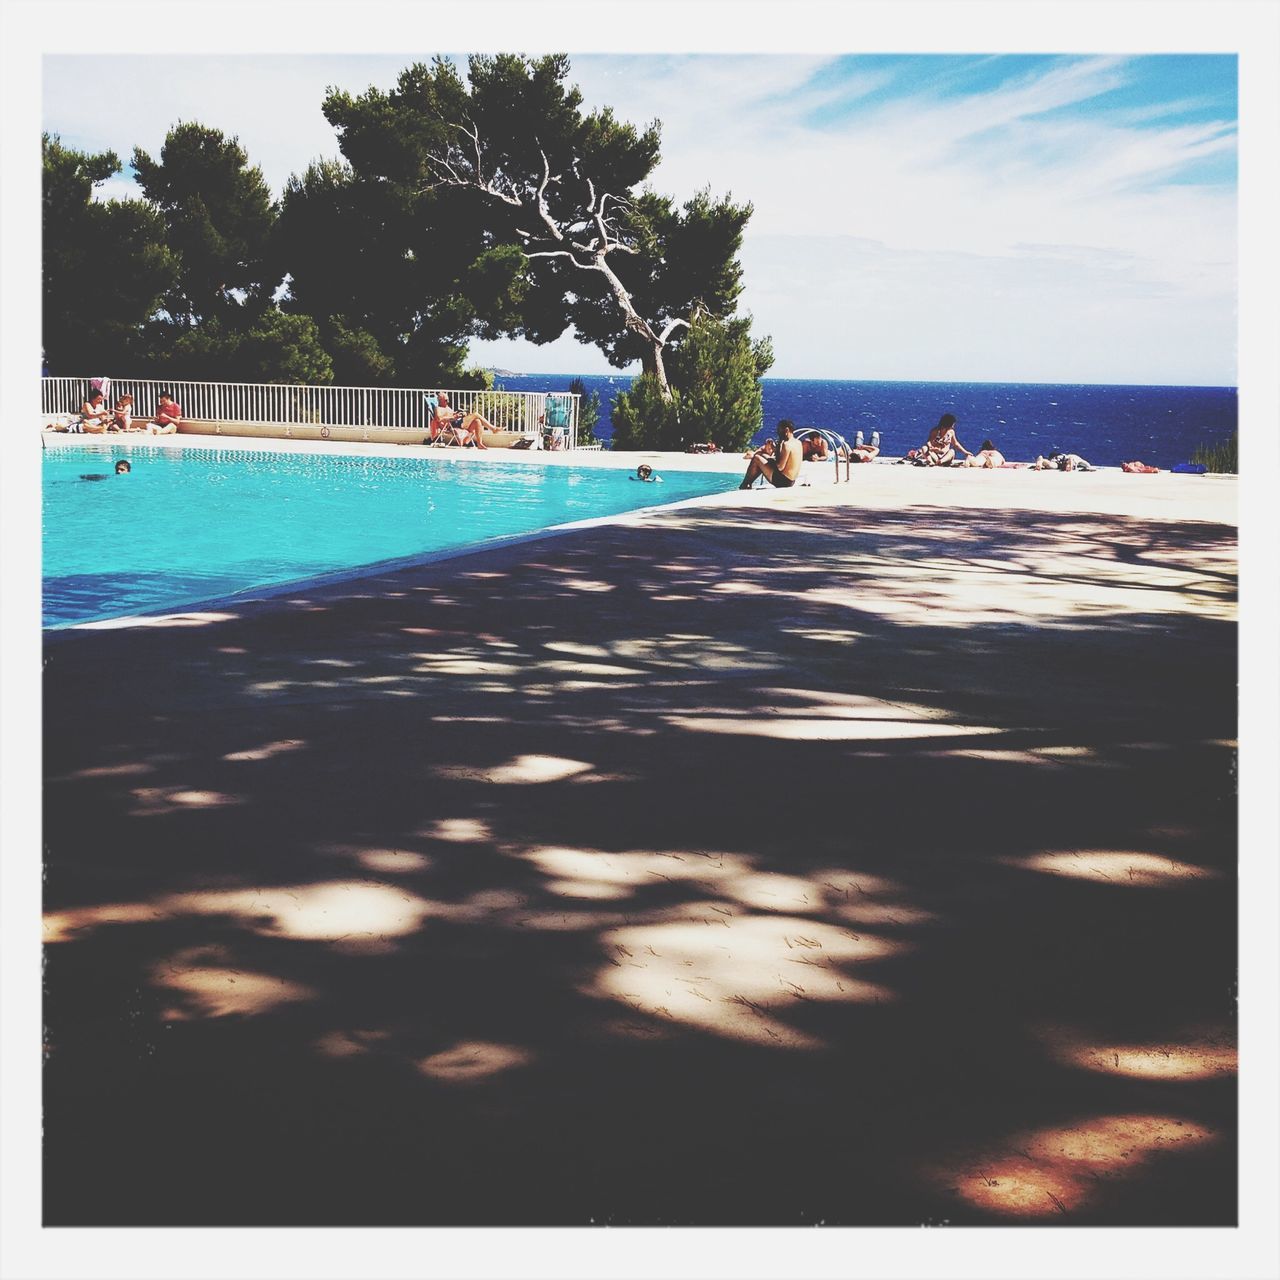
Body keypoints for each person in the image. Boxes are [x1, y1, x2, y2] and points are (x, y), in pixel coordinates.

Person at [740, 419, 803, 490]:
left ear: (786, 430)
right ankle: (749, 483)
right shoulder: (798, 443)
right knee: (763, 455)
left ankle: (745, 484)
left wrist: (770, 459)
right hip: (791, 481)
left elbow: (780, 467)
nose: (778, 433)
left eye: (779, 430)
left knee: (757, 458)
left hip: (783, 482)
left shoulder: (786, 445)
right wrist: (775, 449)